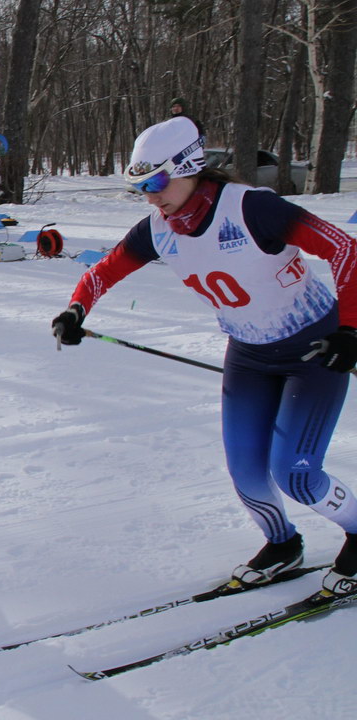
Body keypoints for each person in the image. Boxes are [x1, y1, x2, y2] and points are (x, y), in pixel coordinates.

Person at [51, 116, 357, 601]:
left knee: (296, 474)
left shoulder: (252, 208)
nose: (151, 197)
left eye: (155, 182)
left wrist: (349, 329)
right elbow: (104, 271)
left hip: (313, 349)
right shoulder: (158, 228)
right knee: (247, 474)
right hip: (249, 357)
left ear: (190, 167)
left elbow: (345, 250)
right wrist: (76, 308)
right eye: (139, 187)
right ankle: (283, 546)